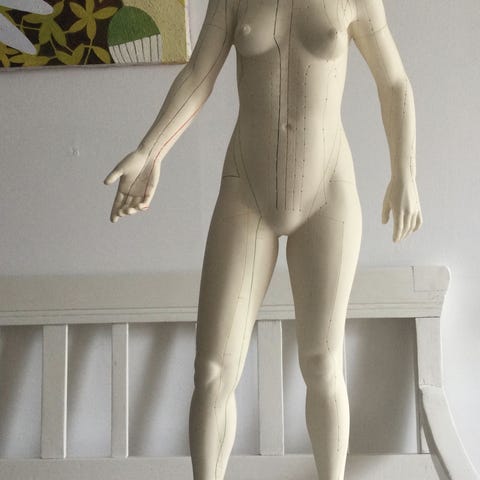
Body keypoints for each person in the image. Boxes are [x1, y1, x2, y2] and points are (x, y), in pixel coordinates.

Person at [104, 0, 423, 478]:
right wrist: (150, 151)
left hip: (327, 192)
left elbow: (393, 81)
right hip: (246, 192)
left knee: (323, 362)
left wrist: (405, 173)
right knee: (212, 371)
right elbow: (198, 75)